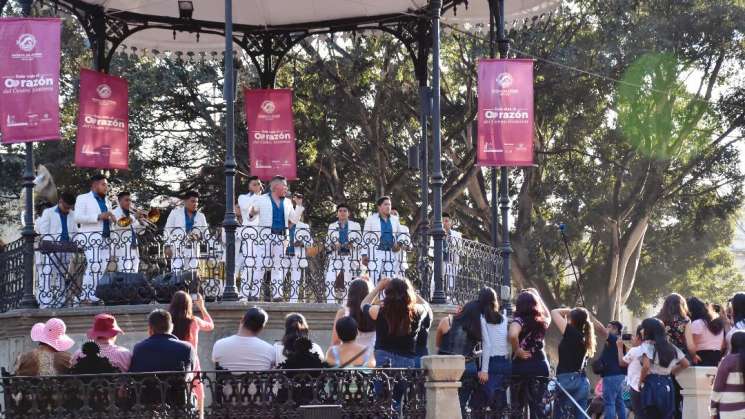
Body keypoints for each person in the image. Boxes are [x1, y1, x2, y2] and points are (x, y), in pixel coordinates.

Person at [362, 277, 429, 412]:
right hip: (406, 362)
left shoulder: (379, 310)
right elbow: (427, 306)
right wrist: (410, 290)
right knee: (397, 400)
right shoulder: (416, 311)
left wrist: (378, 287)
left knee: (381, 401)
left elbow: (363, 304)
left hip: (382, 359)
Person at [247, 176, 304, 300]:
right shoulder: (262, 199)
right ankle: (255, 294)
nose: (286, 188)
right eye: (284, 185)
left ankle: (277, 294)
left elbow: (293, 220)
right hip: (266, 236)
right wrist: (251, 212)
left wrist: (299, 206)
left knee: (278, 266)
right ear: (275, 187)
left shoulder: (288, 202)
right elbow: (250, 217)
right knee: (260, 265)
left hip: (281, 237)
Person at [508, 289, 551, 419]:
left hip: (521, 366)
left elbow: (513, 335)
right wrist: (537, 296)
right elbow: (548, 314)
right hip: (540, 365)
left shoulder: (519, 320)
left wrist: (517, 350)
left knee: (517, 407)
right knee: (538, 408)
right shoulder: (543, 321)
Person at [436, 300, 483, 416]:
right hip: (468, 367)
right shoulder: (477, 327)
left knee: (444, 404)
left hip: (446, 368)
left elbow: (438, 345)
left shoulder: (447, 321)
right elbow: (488, 348)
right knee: (461, 404)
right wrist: (474, 354)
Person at [74, 174, 116, 303]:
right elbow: (78, 218)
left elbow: (107, 219)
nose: (106, 187)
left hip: (105, 239)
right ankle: (86, 295)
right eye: (103, 184)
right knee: (94, 265)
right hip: (90, 238)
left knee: (101, 267)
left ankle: (93, 294)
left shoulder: (107, 201)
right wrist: (99, 216)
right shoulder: (83, 198)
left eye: (107, 185)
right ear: (94, 185)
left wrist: (112, 219)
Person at [169, 291, 214, 407]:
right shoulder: (194, 321)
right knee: (198, 393)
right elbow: (210, 325)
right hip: (191, 361)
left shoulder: (168, 321)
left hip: (172, 359)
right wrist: (202, 307)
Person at [638, 318, 690, 419]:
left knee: (651, 414)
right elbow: (686, 363)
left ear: (649, 331)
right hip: (667, 383)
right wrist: (671, 371)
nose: (641, 330)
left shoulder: (647, 346)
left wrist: (640, 381)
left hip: (651, 384)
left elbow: (646, 366)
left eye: (643, 328)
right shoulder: (671, 347)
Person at [550, 306, 595, 418]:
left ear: (573, 320)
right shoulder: (584, 337)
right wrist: (579, 313)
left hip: (567, 381)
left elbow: (554, 312)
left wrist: (571, 310)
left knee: (560, 415)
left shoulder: (571, 333)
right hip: (582, 382)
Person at [35, 191, 78, 308]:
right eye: (66, 207)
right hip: (51, 248)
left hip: (67, 248)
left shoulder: (73, 214)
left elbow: (75, 232)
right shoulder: (48, 213)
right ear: (60, 202)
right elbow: (44, 231)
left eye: (70, 208)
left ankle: (61, 300)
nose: (67, 210)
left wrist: (76, 242)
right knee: (47, 273)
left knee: (62, 275)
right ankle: (45, 302)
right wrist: (55, 243)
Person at [657, 293, 695, 419]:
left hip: (662, 359)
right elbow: (690, 345)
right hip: (680, 360)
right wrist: (694, 356)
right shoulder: (685, 321)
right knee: (680, 394)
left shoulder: (658, 320)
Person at [129, 309, 196, 373]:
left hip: (150, 385)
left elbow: (135, 375)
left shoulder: (139, 348)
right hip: (176, 385)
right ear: (171, 327)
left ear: (150, 329)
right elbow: (189, 375)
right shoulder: (187, 348)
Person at [478, 287, 511, 414]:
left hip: (492, 365)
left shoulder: (483, 319)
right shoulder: (503, 318)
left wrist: (484, 370)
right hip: (505, 364)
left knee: (489, 404)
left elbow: (488, 345)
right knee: (500, 406)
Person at [361, 197, 405, 284]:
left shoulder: (394, 219)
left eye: (389, 204)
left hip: (390, 253)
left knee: (389, 279)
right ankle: (372, 297)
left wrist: (399, 244)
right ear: (379, 207)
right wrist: (364, 254)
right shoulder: (371, 219)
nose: (388, 207)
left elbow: (401, 234)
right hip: (375, 252)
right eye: (385, 204)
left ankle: (386, 297)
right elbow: (365, 237)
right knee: (373, 278)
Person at [590, 317, 627, 419]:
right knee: (619, 402)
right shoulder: (619, 341)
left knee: (609, 403)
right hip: (618, 376)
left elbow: (601, 329)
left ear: (616, 330)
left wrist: (590, 316)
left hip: (611, 376)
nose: (607, 328)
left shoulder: (614, 339)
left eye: (609, 327)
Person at [324, 203, 362, 303]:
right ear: (337, 213)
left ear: (348, 213)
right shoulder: (332, 226)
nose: (342, 213)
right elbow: (327, 243)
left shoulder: (355, 225)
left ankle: (346, 305)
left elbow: (360, 241)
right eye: (340, 211)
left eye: (345, 211)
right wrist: (333, 245)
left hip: (350, 257)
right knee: (329, 279)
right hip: (336, 256)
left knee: (348, 282)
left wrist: (352, 245)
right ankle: (330, 303)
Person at [163, 190, 208, 273]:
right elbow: (167, 230)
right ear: (185, 201)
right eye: (193, 201)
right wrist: (167, 246)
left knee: (193, 275)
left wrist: (199, 237)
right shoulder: (175, 213)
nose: (195, 204)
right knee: (177, 275)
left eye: (197, 202)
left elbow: (206, 234)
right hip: (177, 250)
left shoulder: (201, 216)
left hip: (193, 250)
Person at [330, 279, 377, 353]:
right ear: (368, 294)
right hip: (370, 357)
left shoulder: (343, 313)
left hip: (349, 356)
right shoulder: (374, 312)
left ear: (350, 294)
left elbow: (335, 341)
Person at [710, 330, 745, 418]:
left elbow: (718, 387)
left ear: (732, 344)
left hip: (728, 410)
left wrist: (712, 410)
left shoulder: (728, 360)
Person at [430, 212, 462, 298]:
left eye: (447, 221)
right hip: (440, 261)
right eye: (443, 221)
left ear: (451, 222)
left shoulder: (457, 235)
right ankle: (434, 297)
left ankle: (449, 298)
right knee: (436, 281)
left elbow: (459, 249)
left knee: (451, 283)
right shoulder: (435, 233)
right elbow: (431, 251)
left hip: (452, 262)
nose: (445, 223)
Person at [111, 191, 145, 273]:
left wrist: (141, 222)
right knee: (125, 273)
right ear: (119, 201)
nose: (129, 202)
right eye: (126, 200)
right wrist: (134, 217)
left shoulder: (130, 214)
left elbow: (140, 232)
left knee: (134, 275)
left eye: (130, 200)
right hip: (122, 249)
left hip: (134, 249)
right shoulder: (115, 212)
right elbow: (119, 224)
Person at [687, 296, 724, 366]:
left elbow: (691, 345)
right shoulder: (718, 324)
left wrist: (693, 356)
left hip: (701, 358)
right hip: (717, 358)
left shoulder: (697, 323)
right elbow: (722, 345)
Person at [619, 325, 645, 419]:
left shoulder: (634, 350)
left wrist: (619, 347)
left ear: (638, 337)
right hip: (650, 387)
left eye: (633, 336)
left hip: (636, 387)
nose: (632, 339)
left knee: (638, 414)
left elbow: (622, 362)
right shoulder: (653, 349)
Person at [286, 213, 313, 303]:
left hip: (297, 255)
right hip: (283, 254)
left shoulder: (303, 226)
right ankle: (278, 298)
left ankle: (293, 301)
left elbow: (310, 242)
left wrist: (301, 243)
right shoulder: (283, 223)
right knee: (279, 276)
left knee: (295, 278)